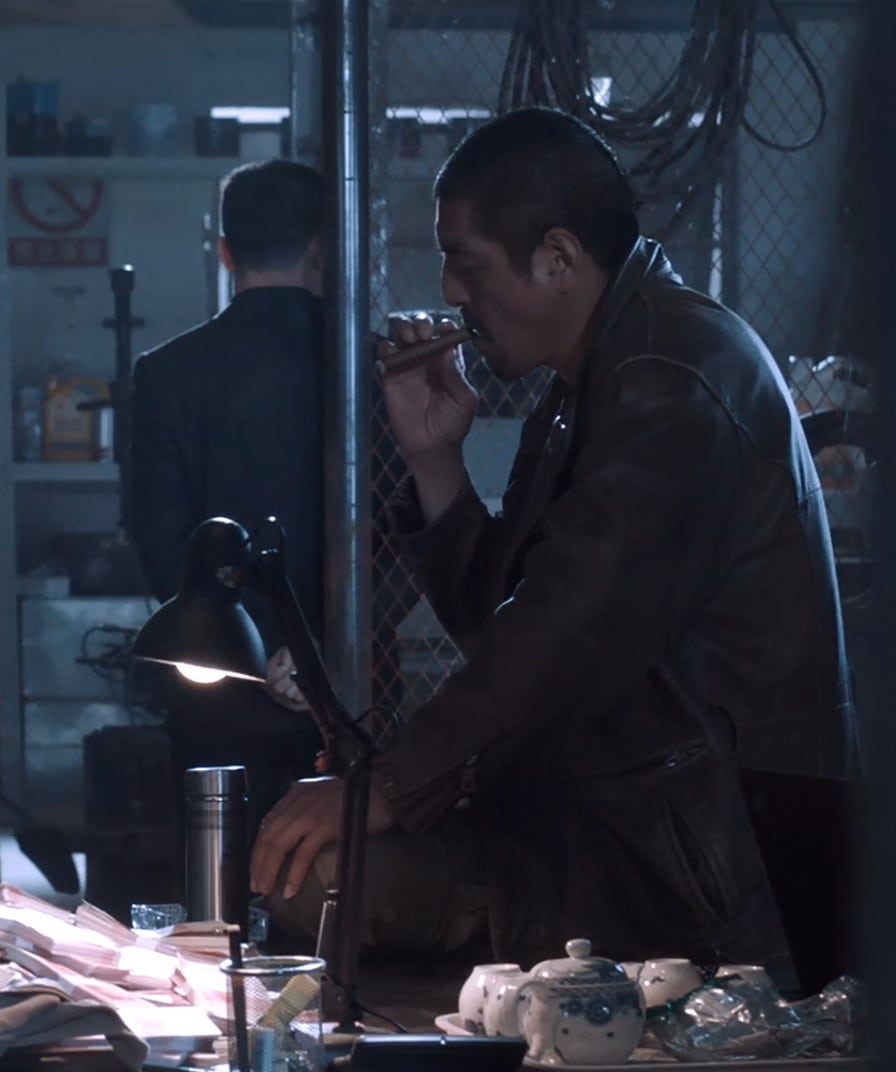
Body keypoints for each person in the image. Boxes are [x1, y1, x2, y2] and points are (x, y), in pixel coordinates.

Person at [250, 108, 855, 984]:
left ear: (559, 258)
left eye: (466, 262)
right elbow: (513, 618)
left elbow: (565, 628)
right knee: (318, 873)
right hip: (609, 821)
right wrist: (436, 462)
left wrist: (387, 786)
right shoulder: (599, 372)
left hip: (699, 865)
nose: (450, 291)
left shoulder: (668, 378)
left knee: (330, 876)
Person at [126, 160, 331, 813]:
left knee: (216, 858)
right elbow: (403, 526)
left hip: (214, 677)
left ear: (224, 252)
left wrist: (251, 644)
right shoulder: (370, 363)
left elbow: (157, 533)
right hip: (346, 684)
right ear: (322, 250)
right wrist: (316, 651)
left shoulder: (167, 373)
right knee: (344, 857)